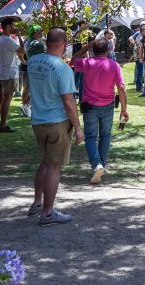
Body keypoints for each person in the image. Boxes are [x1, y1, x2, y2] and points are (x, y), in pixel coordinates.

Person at [27, 27, 84, 225]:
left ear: (46, 41)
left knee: (44, 161)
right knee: (53, 166)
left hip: (38, 120)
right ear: (64, 44)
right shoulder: (62, 68)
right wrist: (78, 128)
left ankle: (36, 203)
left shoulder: (33, 61)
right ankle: (48, 212)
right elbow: (69, 102)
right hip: (56, 122)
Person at [72, 39, 128, 184]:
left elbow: (73, 60)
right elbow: (121, 88)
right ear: (108, 50)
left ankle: (97, 165)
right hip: (108, 105)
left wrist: (86, 47)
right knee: (105, 136)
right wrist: (124, 109)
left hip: (90, 106)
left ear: (93, 51)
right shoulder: (114, 65)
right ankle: (101, 164)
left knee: (90, 137)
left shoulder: (87, 63)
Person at [0, 17, 24, 132]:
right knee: (7, 99)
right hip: (8, 73)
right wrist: (19, 36)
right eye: (13, 25)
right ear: (9, 26)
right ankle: (2, 125)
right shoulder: (6, 39)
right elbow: (22, 50)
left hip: (0, 71)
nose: (15, 28)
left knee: (0, 98)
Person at [22, 25, 46, 117]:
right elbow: (50, 52)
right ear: (35, 32)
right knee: (37, 90)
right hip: (37, 69)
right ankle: (27, 105)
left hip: (32, 68)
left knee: (33, 90)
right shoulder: (37, 44)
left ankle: (27, 105)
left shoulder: (30, 42)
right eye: (40, 30)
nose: (42, 32)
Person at [128, 23, 144, 92]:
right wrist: (141, 57)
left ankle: (139, 86)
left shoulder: (138, 37)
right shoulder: (140, 38)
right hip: (139, 57)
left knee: (139, 71)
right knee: (140, 72)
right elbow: (140, 49)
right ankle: (139, 87)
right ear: (141, 31)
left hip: (137, 57)